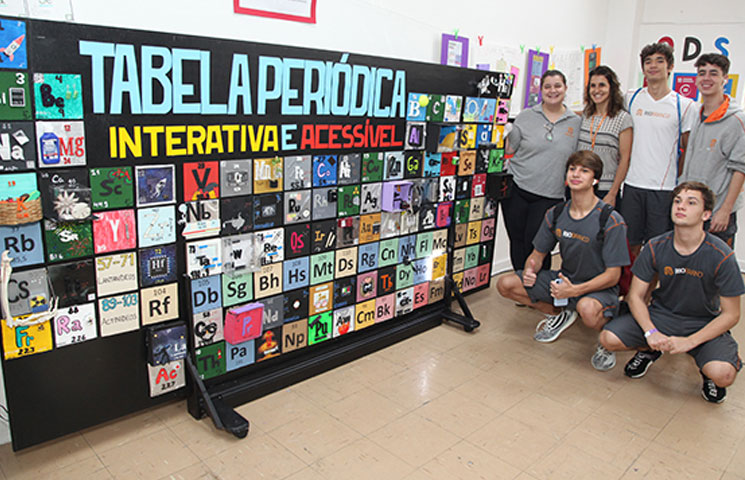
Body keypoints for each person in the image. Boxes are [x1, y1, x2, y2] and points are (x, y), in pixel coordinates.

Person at [600, 182, 743, 403]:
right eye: (677, 201)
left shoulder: (721, 255)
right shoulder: (656, 246)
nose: (681, 206)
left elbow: (731, 314)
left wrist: (690, 341)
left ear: (706, 214)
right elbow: (636, 296)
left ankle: (707, 371)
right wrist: (651, 333)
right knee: (608, 338)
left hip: (702, 322)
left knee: (723, 374)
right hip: (662, 316)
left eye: (691, 202)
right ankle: (651, 350)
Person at [497, 151, 630, 370]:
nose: (576, 174)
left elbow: (613, 276)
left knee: (587, 309)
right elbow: (537, 255)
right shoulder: (557, 213)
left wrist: (575, 291)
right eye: (572, 169)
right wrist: (531, 269)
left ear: (595, 179)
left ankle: (606, 338)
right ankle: (560, 315)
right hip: (565, 281)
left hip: (598, 288)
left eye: (584, 171)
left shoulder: (611, 219)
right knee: (506, 285)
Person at [621, 43, 698, 258]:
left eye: (659, 61)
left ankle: (650, 291)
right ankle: (631, 291)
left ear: (670, 66)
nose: (653, 66)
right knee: (630, 246)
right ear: (643, 68)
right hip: (632, 185)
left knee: (658, 248)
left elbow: (687, 147)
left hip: (664, 189)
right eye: (648, 62)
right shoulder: (631, 98)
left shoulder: (684, 105)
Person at [503, 69, 581, 272]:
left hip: (550, 195)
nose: (552, 90)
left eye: (557, 86)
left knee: (539, 244)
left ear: (565, 89)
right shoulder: (526, 116)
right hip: (517, 188)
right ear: (541, 90)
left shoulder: (576, 122)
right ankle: (520, 285)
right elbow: (510, 149)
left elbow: (579, 158)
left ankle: (538, 289)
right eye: (547, 86)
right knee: (517, 240)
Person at [679, 53, 745, 248]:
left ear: (725, 79)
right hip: (692, 208)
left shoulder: (737, 120)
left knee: (715, 270)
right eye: (702, 73)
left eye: (713, 74)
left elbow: (740, 169)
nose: (706, 78)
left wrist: (725, 209)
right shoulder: (697, 114)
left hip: (717, 213)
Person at [577, 65, 633, 208]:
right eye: (592, 86)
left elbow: (625, 159)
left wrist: (613, 193)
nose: (596, 90)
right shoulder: (585, 115)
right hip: (580, 186)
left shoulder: (622, 119)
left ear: (611, 88)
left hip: (605, 190)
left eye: (602, 85)